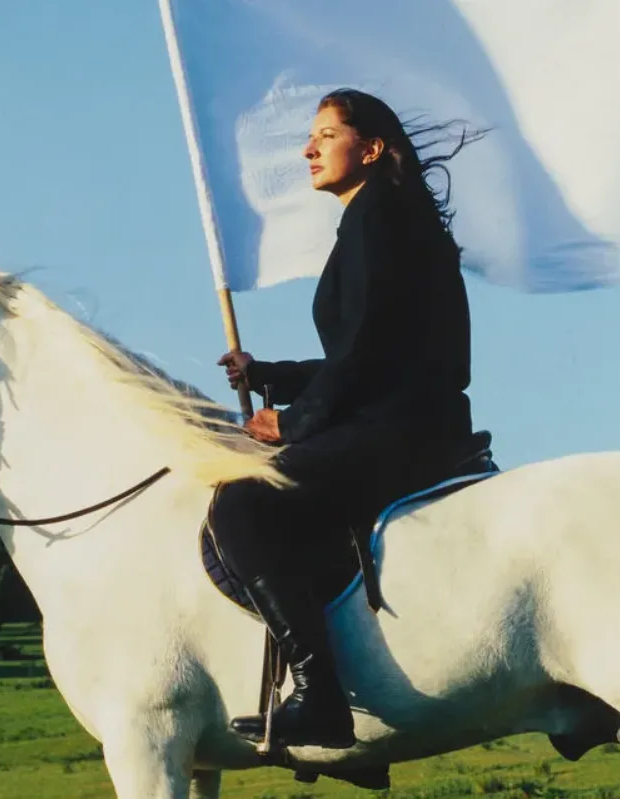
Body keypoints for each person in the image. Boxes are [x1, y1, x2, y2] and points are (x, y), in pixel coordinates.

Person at [211, 88, 484, 749]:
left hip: (401, 429)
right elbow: (369, 348)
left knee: (241, 506)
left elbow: (364, 354)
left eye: (325, 135)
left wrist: (293, 422)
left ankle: (320, 695)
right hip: (405, 415)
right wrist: (269, 375)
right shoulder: (386, 214)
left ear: (371, 148)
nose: (308, 148)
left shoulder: (380, 215)